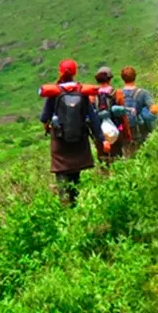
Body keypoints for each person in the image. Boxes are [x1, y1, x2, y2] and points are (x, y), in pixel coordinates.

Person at [40, 59, 105, 206]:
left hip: (60, 141)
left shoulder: (54, 92)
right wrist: (101, 139)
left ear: (60, 72)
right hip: (79, 140)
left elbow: (44, 117)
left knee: (61, 172)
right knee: (75, 175)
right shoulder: (81, 92)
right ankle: (74, 205)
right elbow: (92, 117)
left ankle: (64, 204)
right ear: (75, 73)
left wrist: (48, 127)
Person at [91, 66, 131, 165]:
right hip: (117, 131)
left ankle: (104, 176)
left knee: (102, 158)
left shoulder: (92, 95)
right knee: (117, 157)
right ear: (110, 79)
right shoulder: (117, 93)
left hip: (99, 133)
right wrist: (127, 133)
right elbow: (123, 116)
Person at [120, 66, 158, 157]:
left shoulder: (118, 93)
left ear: (122, 78)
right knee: (141, 155)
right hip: (139, 130)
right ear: (135, 76)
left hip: (124, 130)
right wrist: (145, 115)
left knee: (127, 155)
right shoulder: (143, 93)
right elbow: (154, 109)